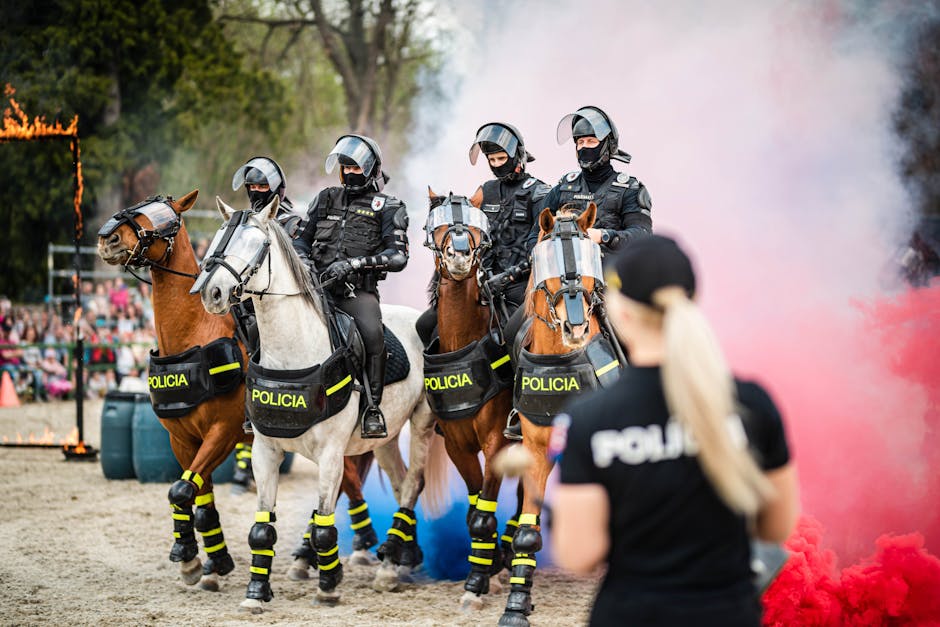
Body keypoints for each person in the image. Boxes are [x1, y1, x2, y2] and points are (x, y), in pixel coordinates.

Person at [551, 235, 799, 627]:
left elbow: (580, 555)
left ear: (621, 312)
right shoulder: (752, 404)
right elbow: (776, 527)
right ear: (692, 300)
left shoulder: (589, 419)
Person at [293, 134, 409, 439]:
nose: (349, 173)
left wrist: (355, 264)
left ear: (371, 170)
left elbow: (398, 257)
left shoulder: (389, 206)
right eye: (345, 168)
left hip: (356, 293)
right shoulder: (325, 198)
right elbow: (300, 241)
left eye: (356, 168)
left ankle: (372, 407)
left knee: (372, 335)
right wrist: (304, 262)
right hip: (315, 289)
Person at [415, 122, 550, 347]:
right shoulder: (486, 190)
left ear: (517, 157)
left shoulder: (539, 193)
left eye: (501, 158)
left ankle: (516, 370)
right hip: (484, 281)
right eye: (492, 160)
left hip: (521, 285)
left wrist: (508, 277)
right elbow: (473, 234)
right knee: (425, 325)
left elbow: (543, 247)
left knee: (509, 335)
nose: (496, 165)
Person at [526, 105, 652, 255]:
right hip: (565, 266)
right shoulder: (563, 188)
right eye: (580, 142)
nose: (584, 147)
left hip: (612, 266)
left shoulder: (629, 189)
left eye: (591, 141)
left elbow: (642, 234)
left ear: (608, 145)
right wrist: (540, 256)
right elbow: (535, 235)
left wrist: (604, 236)